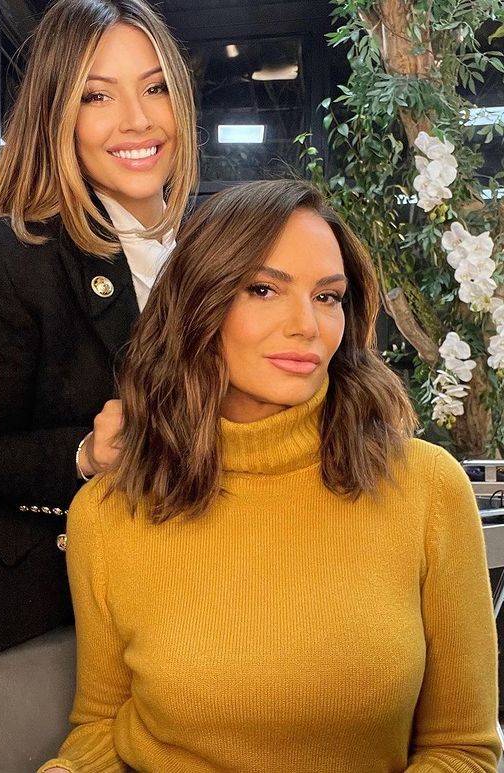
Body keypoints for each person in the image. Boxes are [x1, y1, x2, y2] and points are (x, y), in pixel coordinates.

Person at [40, 179, 499, 773]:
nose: (307, 325)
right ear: (198, 304)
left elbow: (463, 750)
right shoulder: (109, 512)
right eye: (263, 289)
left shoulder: (427, 488)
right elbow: (102, 727)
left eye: (328, 297)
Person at [0, 0, 198, 768]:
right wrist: (84, 455)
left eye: (156, 87)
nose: (138, 119)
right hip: (23, 603)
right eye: (98, 95)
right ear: (57, 116)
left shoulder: (221, 251)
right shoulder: (11, 256)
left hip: (181, 596)